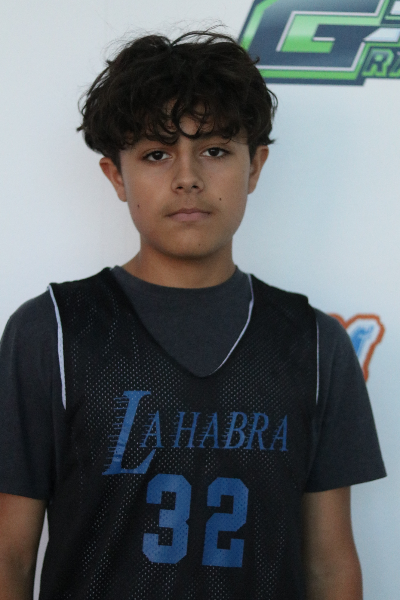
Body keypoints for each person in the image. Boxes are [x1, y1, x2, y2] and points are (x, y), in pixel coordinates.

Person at [0, 30, 385, 600]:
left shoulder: (314, 345)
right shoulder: (51, 331)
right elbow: (9, 556)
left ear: (255, 167)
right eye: (156, 154)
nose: (187, 177)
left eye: (215, 150)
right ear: (116, 175)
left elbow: (330, 566)